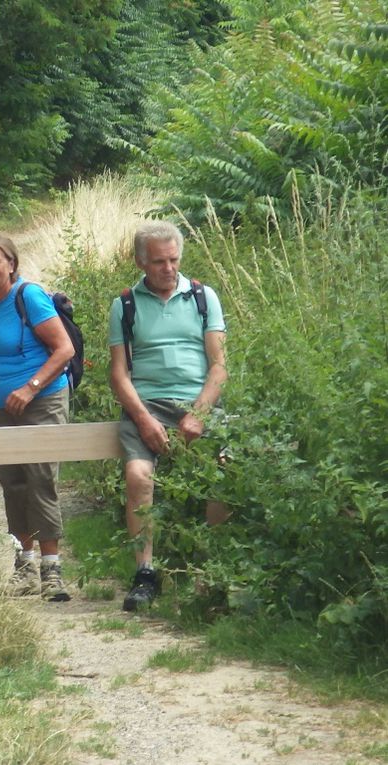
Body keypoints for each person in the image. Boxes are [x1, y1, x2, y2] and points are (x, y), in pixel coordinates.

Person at [108, 220, 228, 612]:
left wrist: (199, 413)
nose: (168, 268)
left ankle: (210, 573)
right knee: (138, 474)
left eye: (174, 259)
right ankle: (145, 573)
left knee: (224, 470)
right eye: (159, 262)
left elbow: (219, 366)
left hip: (197, 401)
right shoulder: (125, 304)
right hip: (148, 403)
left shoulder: (203, 297)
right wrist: (143, 418)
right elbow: (119, 373)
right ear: (141, 262)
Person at [0, 234, 75, 602]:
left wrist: (30, 387)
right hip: (0, 404)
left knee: (41, 477)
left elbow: (64, 349)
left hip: (42, 399)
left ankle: (52, 571)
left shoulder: (30, 296)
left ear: (11, 263)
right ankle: (24, 566)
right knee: (13, 482)